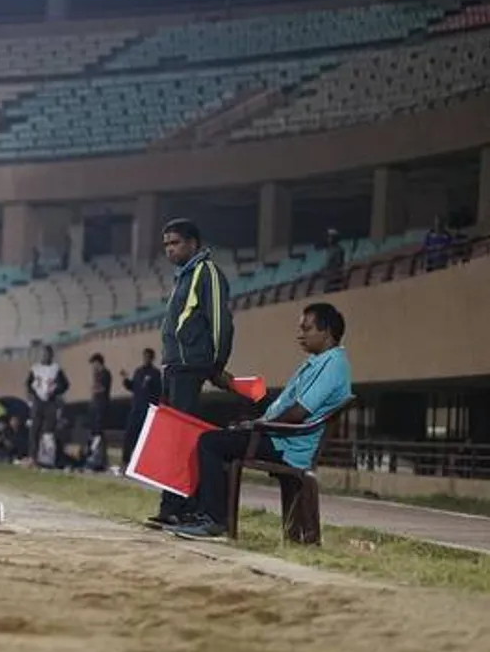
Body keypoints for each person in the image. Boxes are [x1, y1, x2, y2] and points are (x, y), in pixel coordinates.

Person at [168, 303, 352, 540]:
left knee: (210, 442)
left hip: (287, 446)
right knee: (221, 437)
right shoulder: (319, 363)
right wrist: (254, 417)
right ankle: (210, 515)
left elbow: (298, 413)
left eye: (307, 329)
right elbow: (284, 408)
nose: (300, 334)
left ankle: (214, 519)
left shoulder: (333, 365)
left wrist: (258, 426)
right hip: (279, 437)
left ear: (326, 332)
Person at [151, 218, 234, 526]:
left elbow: (220, 320)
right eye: (166, 245)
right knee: (172, 439)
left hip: (191, 366)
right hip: (174, 366)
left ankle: (184, 507)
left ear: (193, 243)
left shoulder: (206, 272)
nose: (170, 250)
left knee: (183, 440)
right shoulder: (182, 277)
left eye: (175, 243)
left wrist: (216, 364)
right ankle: (170, 506)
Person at [119, 347, 162, 472]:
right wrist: (125, 380)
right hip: (136, 409)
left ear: (152, 358)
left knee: (145, 438)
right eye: (144, 356)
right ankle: (125, 462)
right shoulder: (138, 371)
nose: (145, 359)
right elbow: (133, 387)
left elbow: (158, 392)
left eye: (148, 357)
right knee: (129, 436)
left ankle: (145, 465)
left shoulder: (155, 373)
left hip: (147, 410)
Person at [26, 345, 68, 464]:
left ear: (51, 355)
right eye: (44, 354)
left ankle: (47, 457)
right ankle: (33, 456)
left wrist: (55, 391)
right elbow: (28, 384)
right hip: (38, 402)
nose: (46, 356)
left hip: (51, 402)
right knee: (35, 429)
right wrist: (33, 394)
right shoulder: (35, 368)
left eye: (48, 354)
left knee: (48, 430)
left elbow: (65, 384)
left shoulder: (56, 369)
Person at [85, 353, 113, 470]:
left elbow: (102, 389)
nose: (93, 367)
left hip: (101, 406)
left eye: (94, 364)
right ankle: (96, 457)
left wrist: (94, 387)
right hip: (95, 406)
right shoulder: (97, 374)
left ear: (98, 362)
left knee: (99, 433)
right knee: (95, 433)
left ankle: (100, 459)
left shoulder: (105, 374)